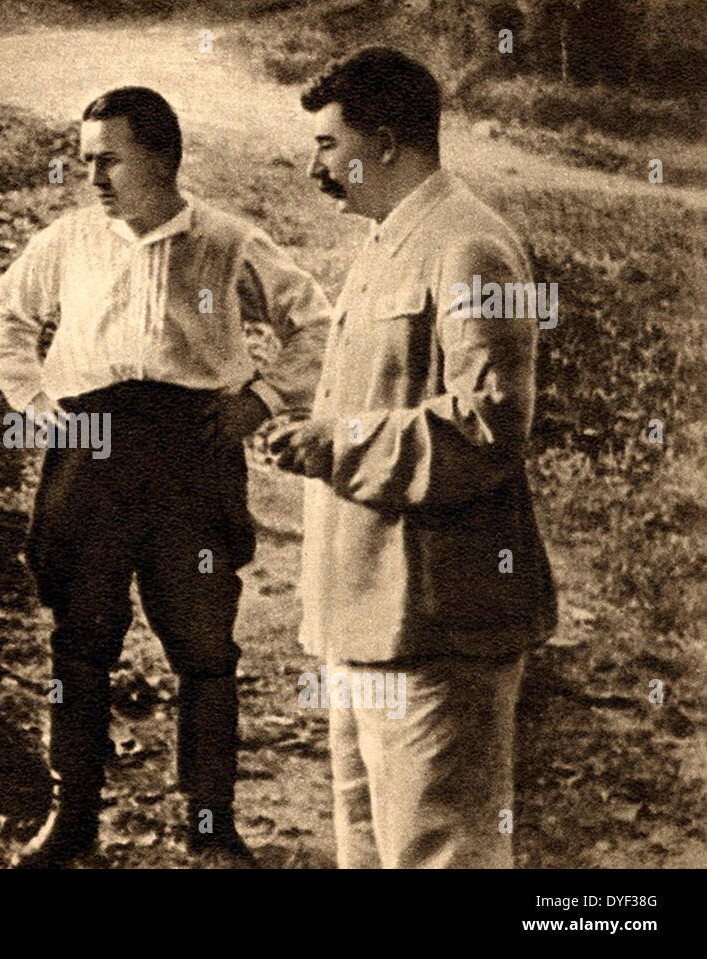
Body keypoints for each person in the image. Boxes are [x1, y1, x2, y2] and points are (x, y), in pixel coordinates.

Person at [0, 86, 331, 868]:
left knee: (205, 643)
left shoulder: (227, 242)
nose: (93, 176)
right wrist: (38, 403)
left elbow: (317, 323)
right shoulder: (69, 241)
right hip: (91, 454)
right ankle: (71, 818)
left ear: (163, 158)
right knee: (79, 642)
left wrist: (264, 399)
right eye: (85, 161)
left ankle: (211, 822)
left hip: (191, 458)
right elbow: (1, 319)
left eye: (109, 159)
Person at [272, 46, 557, 868]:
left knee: (442, 854)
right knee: (368, 847)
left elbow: (490, 428)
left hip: (439, 625)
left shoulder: (470, 247)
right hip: (369, 616)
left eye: (328, 146)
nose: (315, 169)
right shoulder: (389, 242)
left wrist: (338, 441)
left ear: (387, 142)